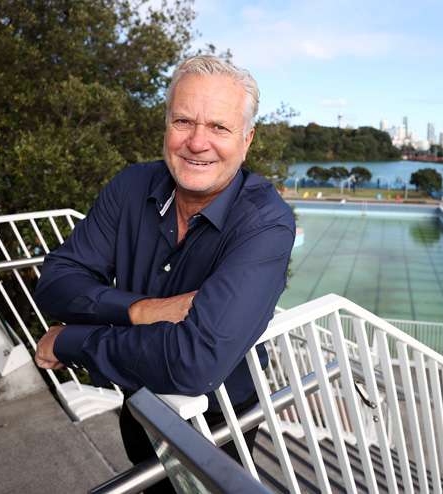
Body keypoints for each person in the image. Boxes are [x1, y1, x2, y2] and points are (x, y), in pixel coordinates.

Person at [33, 55, 295, 492]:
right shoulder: (131, 187)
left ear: (246, 140)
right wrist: (141, 310)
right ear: (166, 126)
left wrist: (72, 339)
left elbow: (195, 364)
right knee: (148, 480)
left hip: (221, 420)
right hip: (138, 402)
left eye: (219, 127)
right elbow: (57, 281)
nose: (197, 142)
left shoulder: (266, 222)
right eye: (183, 121)